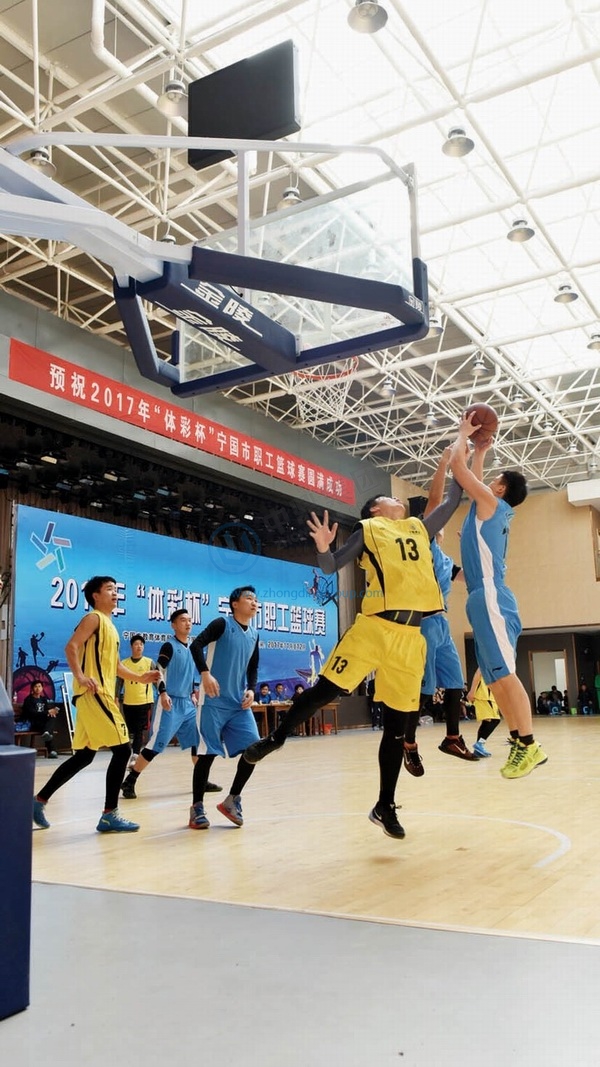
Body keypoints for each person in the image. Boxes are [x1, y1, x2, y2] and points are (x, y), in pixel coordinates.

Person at [243, 473, 463, 840]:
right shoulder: (369, 529)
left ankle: (385, 805)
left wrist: (462, 457)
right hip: (373, 629)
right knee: (325, 691)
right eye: (390, 499)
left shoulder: (417, 529)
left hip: (410, 637)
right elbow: (331, 566)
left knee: (395, 728)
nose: (399, 501)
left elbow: (452, 501)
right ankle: (277, 738)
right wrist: (323, 548)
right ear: (375, 509)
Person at [448, 412, 547, 779]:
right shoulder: (488, 508)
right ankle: (520, 741)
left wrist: (464, 435)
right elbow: (474, 476)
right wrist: (481, 451)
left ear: (501, 489)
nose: (487, 481)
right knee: (494, 679)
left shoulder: (491, 504)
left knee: (505, 675)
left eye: (493, 480)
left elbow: (458, 469)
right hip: (479, 595)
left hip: (491, 596)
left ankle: (530, 744)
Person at [32, 575, 160, 833]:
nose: (115, 593)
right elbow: (71, 647)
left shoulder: (110, 626)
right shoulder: (94, 618)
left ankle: (38, 801)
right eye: (109, 589)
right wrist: (80, 676)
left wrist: (140, 677)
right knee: (123, 751)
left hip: (94, 696)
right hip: (95, 694)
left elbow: (116, 666)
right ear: (95, 596)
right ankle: (109, 814)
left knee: (84, 756)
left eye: (116, 589)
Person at [410, 447, 476, 776]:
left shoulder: (445, 560)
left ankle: (452, 738)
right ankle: (408, 742)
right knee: (424, 689)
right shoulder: (423, 543)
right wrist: (443, 464)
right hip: (422, 624)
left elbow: (470, 576)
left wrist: (476, 547)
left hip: (441, 623)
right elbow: (435, 502)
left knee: (454, 684)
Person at [121, 609, 219, 799]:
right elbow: (159, 672)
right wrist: (163, 693)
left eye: (189, 620)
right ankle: (130, 780)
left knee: (198, 741)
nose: (188, 623)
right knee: (156, 745)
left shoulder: (194, 647)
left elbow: (190, 673)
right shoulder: (169, 646)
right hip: (169, 702)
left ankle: (202, 780)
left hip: (188, 703)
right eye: (183, 620)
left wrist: (192, 693)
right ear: (173, 625)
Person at [187, 585, 260, 830]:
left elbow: (253, 666)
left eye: (256, 599)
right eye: (248, 598)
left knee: (254, 750)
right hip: (213, 700)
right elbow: (195, 645)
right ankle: (197, 808)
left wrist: (252, 689)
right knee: (207, 755)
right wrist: (205, 674)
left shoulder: (254, 634)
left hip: (238, 703)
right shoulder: (222, 624)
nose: (254, 602)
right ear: (235, 604)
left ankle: (232, 800)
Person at [118, 634, 158, 766]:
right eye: (136, 644)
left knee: (139, 730)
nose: (139, 646)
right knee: (130, 730)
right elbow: (119, 682)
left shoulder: (149, 662)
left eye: (141, 644)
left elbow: (157, 680)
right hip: (128, 702)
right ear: (131, 646)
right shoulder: (124, 663)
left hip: (144, 702)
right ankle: (129, 753)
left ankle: (135, 755)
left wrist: (163, 693)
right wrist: (116, 697)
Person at [467, 668, 501, 757]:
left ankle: (478, 749)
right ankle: (480, 744)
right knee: (494, 720)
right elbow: (477, 674)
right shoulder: (487, 661)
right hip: (484, 695)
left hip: (490, 696)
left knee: (487, 722)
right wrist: (472, 692)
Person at [21, 679, 59, 757]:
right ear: (32, 688)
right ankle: (52, 751)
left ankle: (47, 733)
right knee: (48, 728)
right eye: (35, 686)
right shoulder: (28, 700)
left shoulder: (43, 699)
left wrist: (52, 712)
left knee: (52, 718)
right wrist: (48, 712)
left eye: (39, 686)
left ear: (42, 688)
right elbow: (32, 714)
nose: (38, 688)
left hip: (42, 722)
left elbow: (46, 711)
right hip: (32, 723)